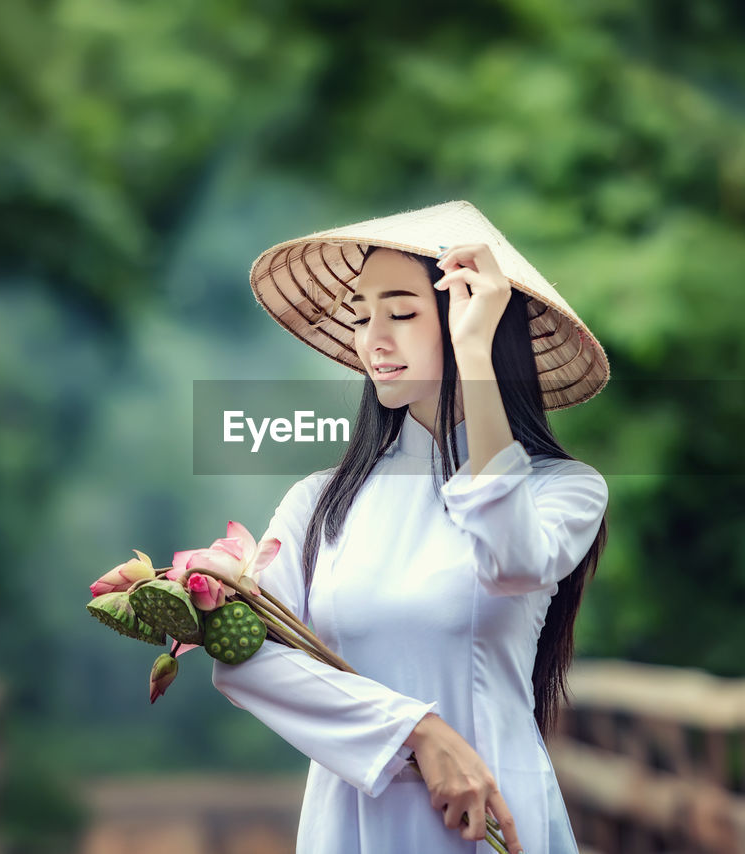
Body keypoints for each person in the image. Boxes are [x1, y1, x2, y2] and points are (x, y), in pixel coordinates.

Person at [211, 200, 611, 853]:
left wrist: (474, 356)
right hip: (352, 827)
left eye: (400, 312)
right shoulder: (319, 504)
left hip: (496, 826)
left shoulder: (561, 490)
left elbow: (509, 561)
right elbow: (242, 659)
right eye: (363, 314)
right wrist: (416, 732)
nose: (373, 337)